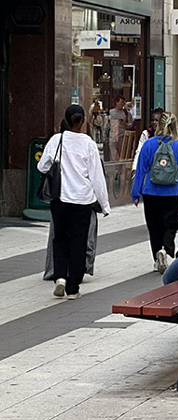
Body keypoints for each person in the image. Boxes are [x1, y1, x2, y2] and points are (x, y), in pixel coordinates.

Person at [38, 105, 110, 300]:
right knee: (79, 241)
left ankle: (60, 276)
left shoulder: (57, 140)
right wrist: (104, 204)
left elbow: (42, 165)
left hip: (60, 199)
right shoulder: (88, 144)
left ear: (66, 120)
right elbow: (97, 177)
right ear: (84, 120)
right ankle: (73, 287)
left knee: (60, 238)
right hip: (82, 200)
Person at [131, 112, 178, 274]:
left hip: (151, 192)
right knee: (170, 225)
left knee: (154, 226)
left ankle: (157, 255)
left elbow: (141, 170)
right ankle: (166, 249)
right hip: (172, 192)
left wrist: (135, 193)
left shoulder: (148, 145)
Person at [131, 108, 164, 177]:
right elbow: (139, 151)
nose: (154, 122)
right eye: (152, 120)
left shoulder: (165, 136)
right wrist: (134, 168)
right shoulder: (146, 134)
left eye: (156, 120)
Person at [109, 95, 134, 160]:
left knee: (122, 155)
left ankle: (120, 168)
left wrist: (125, 124)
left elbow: (131, 124)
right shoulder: (111, 112)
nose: (122, 104)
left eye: (124, 102)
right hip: (113, 136)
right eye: (121, 102)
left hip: (122, 136)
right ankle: (115, 168)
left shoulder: (126, 113)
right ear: (117, 102)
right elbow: (107, 125)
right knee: (114, 155)